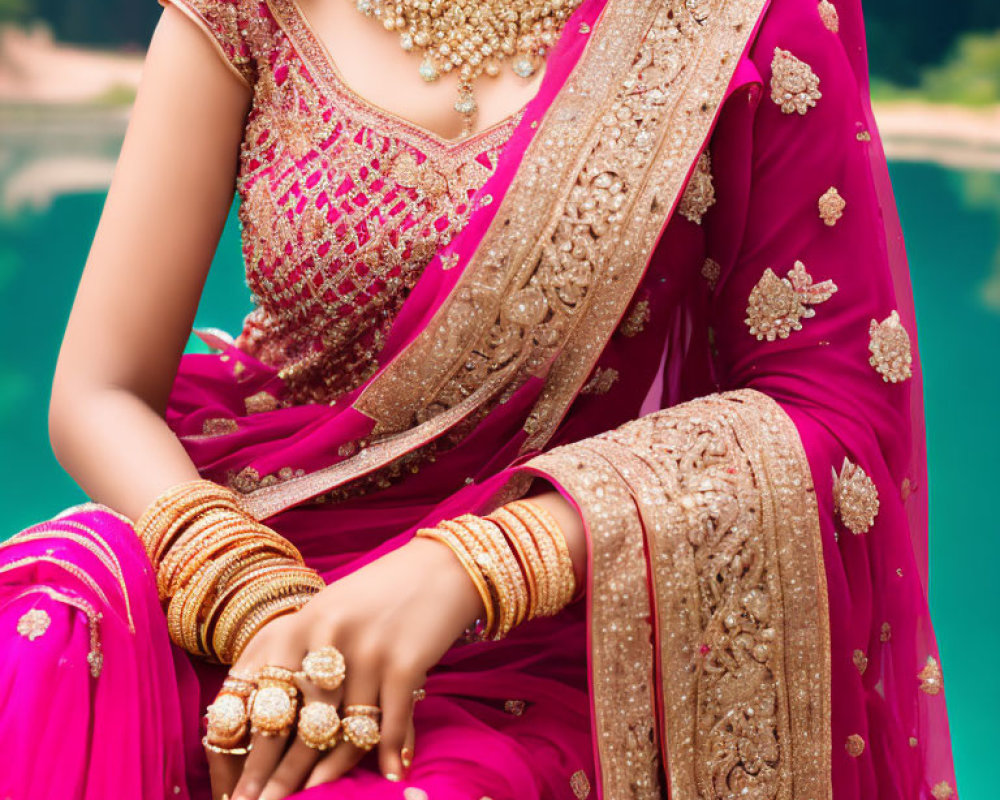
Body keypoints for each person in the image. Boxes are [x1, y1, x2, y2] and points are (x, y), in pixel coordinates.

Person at [0, 0, 961, 798]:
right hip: (247, 547)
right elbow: (99, 391)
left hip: (554, 623)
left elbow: (833, 410)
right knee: (47, 651)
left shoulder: (737, 19)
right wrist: (252, 595)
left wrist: (483, 560)